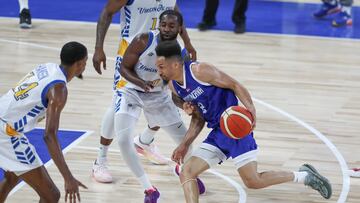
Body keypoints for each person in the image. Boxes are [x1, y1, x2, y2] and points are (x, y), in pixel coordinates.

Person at [155, 40, 333, 203]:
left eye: (161, 66)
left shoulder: (200, 71)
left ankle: (304, 176)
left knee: (253, 181)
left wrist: (251, 109)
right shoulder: (174, 86)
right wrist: (184, 144)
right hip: (218, 132)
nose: (159, 71)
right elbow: (198, 118)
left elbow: (235, 85)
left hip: (236, 129)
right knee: (187, 171)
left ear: (176, 64)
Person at [93, 10, 204, 203]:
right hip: (131, 91)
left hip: (158, 96)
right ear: (159, 25)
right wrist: (141, 83)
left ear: (180, 29)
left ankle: (183, 170)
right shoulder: (144, 40)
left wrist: (184, 104)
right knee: (123, 140)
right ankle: (149, 189)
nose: (167, 29)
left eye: (172, 26)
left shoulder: (181, 55)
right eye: (164, 25)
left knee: (186, 142)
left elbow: (175, 89)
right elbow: (123, 68)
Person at [0, 41, 88, 202]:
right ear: (80, 64)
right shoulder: (58, 90)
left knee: (12, 177)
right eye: (85, 62)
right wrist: (68, 177)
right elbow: (49, 135)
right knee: (51, 195)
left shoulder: (47, 67)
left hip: (3, 117)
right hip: (6, 133)